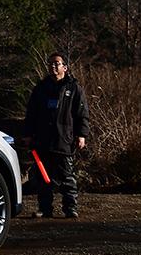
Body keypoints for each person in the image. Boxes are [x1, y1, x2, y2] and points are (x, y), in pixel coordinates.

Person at [22, 52, 90, 219]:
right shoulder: (40, 88)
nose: (53, 66)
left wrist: (81, 135)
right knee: (43, 177)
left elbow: (82, 114)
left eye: (57, 63)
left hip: (64, 139)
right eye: (51, 64)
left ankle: (70, 208)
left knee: (67, 176)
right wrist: (28, 135)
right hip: (43, 140)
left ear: (64, 67)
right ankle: (45, 209)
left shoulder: (74, 88)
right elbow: (31, 114)